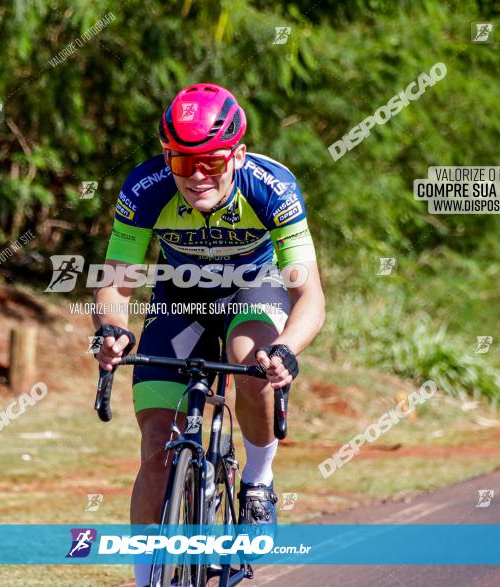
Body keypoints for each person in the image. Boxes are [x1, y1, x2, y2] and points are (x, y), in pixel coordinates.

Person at [91, 83, 325, 586]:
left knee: (253, 361)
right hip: (182, 297)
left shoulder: (273, 187)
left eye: (213, 163)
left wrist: (287, 349)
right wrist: (111, 331)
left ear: (237, 155)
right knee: (157, 446)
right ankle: (146, 579)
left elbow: (310, 296)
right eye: (183, 163)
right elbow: (115, 283)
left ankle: (258, 478)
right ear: (166, 156)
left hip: (253, 288)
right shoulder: (144, 187)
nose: (198, 176)